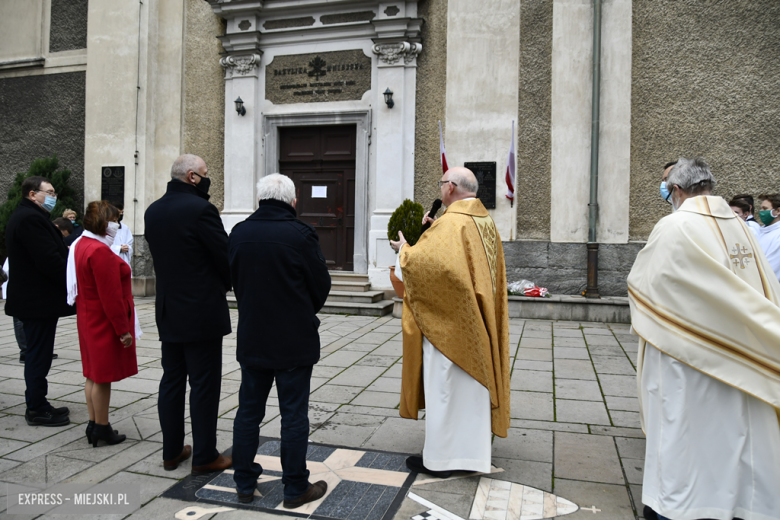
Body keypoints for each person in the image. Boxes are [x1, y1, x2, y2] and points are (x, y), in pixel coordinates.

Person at [627, 157, 780, 520]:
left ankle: (680, 507)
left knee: (689, 434)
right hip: (741, 347)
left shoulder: (674, 226)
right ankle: (743, 503)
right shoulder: (741, 226)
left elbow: (644, 283)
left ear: (677, 190)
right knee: (739, 434)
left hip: (690, 351)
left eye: (666, 186)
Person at [389, 167, 510, 477]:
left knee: (446, 389)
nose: (440, 188)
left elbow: (429, 267)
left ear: (452, 187)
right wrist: (432, 233)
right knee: (469, 394)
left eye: (442, 183)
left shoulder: (452, 223)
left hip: (449, 329)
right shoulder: (483, 221)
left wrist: (404, 250)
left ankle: (442, 460)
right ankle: (472, 455)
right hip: (476, 324)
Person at [228, 173, 331, 508]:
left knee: (248, 413)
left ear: (261, 198)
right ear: (293, 201)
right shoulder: (300, 235)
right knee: (293, 416)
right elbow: (320, 286)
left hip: (254, 338)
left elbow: (234, 280)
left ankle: (243, 482)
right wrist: (300, 309)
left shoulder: (240, 233)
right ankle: (294, 488)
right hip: (292, 341)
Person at [144, 154, 232, 474]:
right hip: (201, 311)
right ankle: (205, 455)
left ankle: (171, 451)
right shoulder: (201, 209)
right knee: (204, 384)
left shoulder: (153, 210)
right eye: (206, 175)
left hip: (168, 309)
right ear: (193, 177)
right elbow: (225, 257)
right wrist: (225, 284)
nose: (208, 180)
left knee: (172, 381)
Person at [5, 176, 75, 426]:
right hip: (37, 301)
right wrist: (71, 281)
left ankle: (40, 402)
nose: (54, 196)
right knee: (38, 355)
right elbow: (49, 261)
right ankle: (35, 408)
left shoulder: (28, 216)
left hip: (35, 300)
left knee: (40, 354)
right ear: (33, 194)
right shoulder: (30, 219)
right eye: (50, 192)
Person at [67, 201, 138, 446]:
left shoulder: (83, 244)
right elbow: (111, 296)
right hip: (103, 320)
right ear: (103, 223)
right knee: (102, 377)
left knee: (92, 374)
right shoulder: (100, 251)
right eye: (114, 220)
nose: (117, 225)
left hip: (88, 316)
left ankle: (93, 422)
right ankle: (101, 426)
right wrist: (123, 330)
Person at [757, 193, 780, 282]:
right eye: (761, 208)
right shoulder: (763, 231)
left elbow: (771, 268)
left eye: (765, 209)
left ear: (778, 211)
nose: (761, 212)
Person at [108, 202, 133, 270]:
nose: (121, 214)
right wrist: (118, 249)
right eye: (119, 212)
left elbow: (130, 242)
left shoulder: (125, 228)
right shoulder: (106, 227)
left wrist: (127, 247)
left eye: (122, 212)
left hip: (124, 260)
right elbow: (104, 245)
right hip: (111, 262)